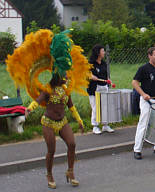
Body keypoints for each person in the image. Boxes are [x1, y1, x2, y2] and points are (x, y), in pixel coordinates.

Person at [6, 30, 91, 189]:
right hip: (48, 122)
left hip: (63, 122)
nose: (67, 76)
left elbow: (71, 106)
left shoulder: (66, 90)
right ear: (58, 75)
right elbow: (37, 101)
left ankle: (70, 172)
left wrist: (79, 121)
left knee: (72, 144)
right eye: (64, 74)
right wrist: (29, 110)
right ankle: (49, 174)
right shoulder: (48, 90)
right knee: (51, 150)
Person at [87, 44, 115, 134]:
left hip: (104, 87)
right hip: (94, 88)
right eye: (103, 51)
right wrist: (91, 76)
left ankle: (105, 125)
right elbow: (85, 74)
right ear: (98, 52)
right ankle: (95, 126)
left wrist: (108, 80)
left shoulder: (103, 63)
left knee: (105, 106)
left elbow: (106, 75)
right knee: (96, 107)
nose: (104, 52)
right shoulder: (90, 63)